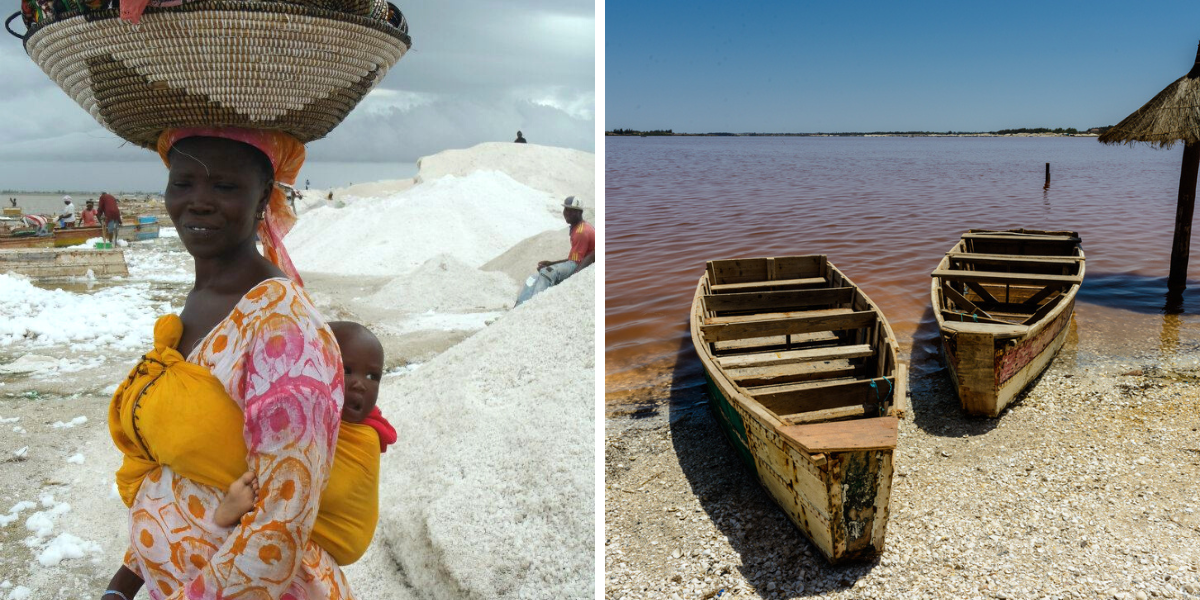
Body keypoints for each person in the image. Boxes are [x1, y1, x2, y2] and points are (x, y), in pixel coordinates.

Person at [103, 128, 360, 600]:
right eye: (183, 184)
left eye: (224, 186)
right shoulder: (203, 300)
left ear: (263, 196)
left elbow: (279, 527)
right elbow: (181, 469)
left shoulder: (284, 329)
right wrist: (124, 584)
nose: (198, 202)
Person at [515, 195, 595, 306]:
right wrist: (551, 263)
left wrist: (573, 280)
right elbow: (574, 258)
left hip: (582, 265)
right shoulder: (577, 227)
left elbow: (577, 262)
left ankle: (534, 305)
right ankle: (518, 308)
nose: (566, 213)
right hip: (577, 262)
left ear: (579, 213)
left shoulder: (581, 232)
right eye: (566, 209)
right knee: (533, 279)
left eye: (570, 211)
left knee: (547, 272)